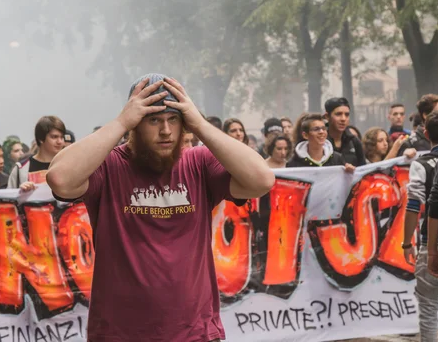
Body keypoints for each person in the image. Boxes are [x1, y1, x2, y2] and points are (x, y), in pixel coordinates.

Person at [45, 73, 274, 342]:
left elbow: (262, 180)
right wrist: (120, 122)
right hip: (120, 333)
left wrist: (199, 124)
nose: (165, 131)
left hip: (194, 332)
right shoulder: (108, 166)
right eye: (154, 120)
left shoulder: (199, 164)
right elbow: (60, 180)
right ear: (136, 123)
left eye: (173, 119)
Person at [402, 111, 438, 342]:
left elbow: (414, 204)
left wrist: (406, 241)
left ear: (426, 133)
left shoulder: (421, 165)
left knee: (429, 307)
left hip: (433, 242)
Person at [8, 116, 66, 192]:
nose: (60, 141)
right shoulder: (21, 168)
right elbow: (8, 199)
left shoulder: (67, 166)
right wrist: (20, 192)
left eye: (62, 137)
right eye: (54, 137)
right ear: (41, 139)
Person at [287, 113, 353, 172]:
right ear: (305, 135)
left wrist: (350, 173)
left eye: (324, 128)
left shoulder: (337, 159)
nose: (321, 132)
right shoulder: (293, 163)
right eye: (316, 129)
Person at [324, 97, 366, 167]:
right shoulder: (320, 140)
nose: (343, 119)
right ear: (327, 116)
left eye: (347, 115)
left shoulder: (354, 141)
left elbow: (363, 168)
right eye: (338, 114)